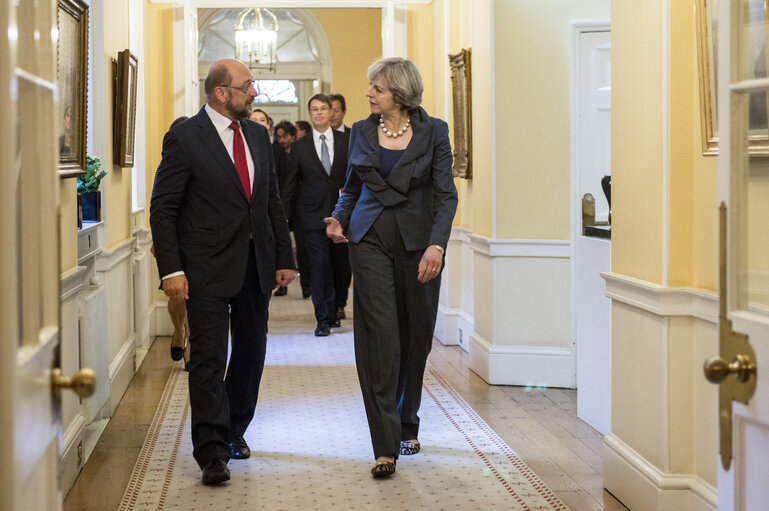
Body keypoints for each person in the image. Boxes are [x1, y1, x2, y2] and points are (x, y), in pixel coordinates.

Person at [150, 58, 295, 486]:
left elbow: (271, 202)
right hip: (204, 268)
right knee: (210, 360)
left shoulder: (257, 134)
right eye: (248, 86)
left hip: (255, 267)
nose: (255, 93)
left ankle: (234, 430)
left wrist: (284, 257)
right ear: (221, 92)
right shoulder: (185, 136)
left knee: (251, 354)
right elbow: (164, 209)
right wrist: (171, 270)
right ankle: (212, 451)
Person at [325, 57, 457, 478]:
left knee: (415, 336)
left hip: (419, 245)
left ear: (399, 92)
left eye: (377, 88)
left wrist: (437, 244)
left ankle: (407, 420)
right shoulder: (363, 131)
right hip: (368, 241)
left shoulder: (434, 131)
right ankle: (385, 446)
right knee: (381, 338)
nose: (369, 93)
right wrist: (338, 218)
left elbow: (445, 194)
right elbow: (352, 186)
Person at [283, 94, 350, 337]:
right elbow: (291, 183)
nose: (320, 113)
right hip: (311, 218)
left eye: (324, 108)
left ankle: (336, 308)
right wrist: (286, 216)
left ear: (332, 112)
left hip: (342, 216)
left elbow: (355, 178)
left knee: (341, 268)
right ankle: (323, 318)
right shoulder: (300, 146)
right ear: (309, 113)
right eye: (315, 109)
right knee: (320, 268)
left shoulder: (347, 140)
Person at [153, 115, 191, 370]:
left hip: (202, 240)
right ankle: (179, 330)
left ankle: (192, 351)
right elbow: (160, 208)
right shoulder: (165, 168)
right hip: (174, 239)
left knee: (199, 298)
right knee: (179, 296)